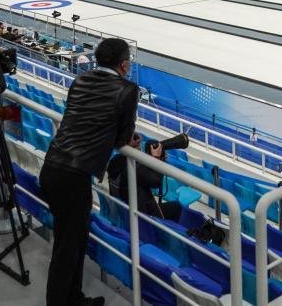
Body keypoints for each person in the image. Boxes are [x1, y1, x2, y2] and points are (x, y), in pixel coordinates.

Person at [40, 38, 138, 306]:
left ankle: (74, 298)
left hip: (53, 166)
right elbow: (123, 137)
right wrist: (127, 140)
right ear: (124, 64)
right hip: (73, 176)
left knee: (76, 240)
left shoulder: (80, 80)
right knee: (67, 248)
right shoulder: (127, 90)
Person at [107, 137, 183, 223]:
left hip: (124, 212)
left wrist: (150, 160)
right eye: (134, 137)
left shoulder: (115, 160)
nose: (139, 138)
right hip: (142, 217)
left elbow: (141, 173)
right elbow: (156, 182)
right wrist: (157, 159)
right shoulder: (134, 169)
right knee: (176, 207)